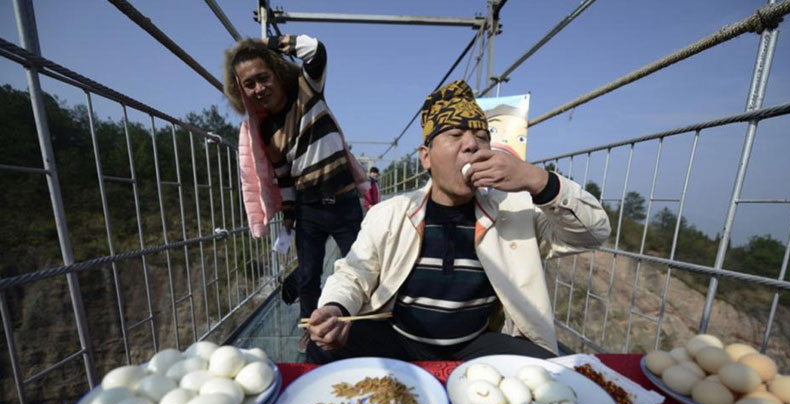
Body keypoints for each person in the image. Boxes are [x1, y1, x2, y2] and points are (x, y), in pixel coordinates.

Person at [305, 80, 611, 363]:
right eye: (455, 135)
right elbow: (355, 273)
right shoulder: (390, 213)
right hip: (400, 339)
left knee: (545, 369)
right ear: (426, 157)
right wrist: (336, 308)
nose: (472, 145)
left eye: (482, 138)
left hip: (475, 346)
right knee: (323, 348)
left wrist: (536, 179)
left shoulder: (515, 212)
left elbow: (593, 233)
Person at [223, 35, 372, 352]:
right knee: (307, 275)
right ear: (241, 91)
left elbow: (316, 50)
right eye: (249, 84)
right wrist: (288, 218)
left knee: (361, 265)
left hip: (344, 203)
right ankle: (311, 326)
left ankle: (364, 324)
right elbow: (283, 178)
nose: (259, 88)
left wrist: (268, 43)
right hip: (309, 209)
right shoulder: (265, 130)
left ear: (277, 72)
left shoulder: (308, 90)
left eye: (263, 77)